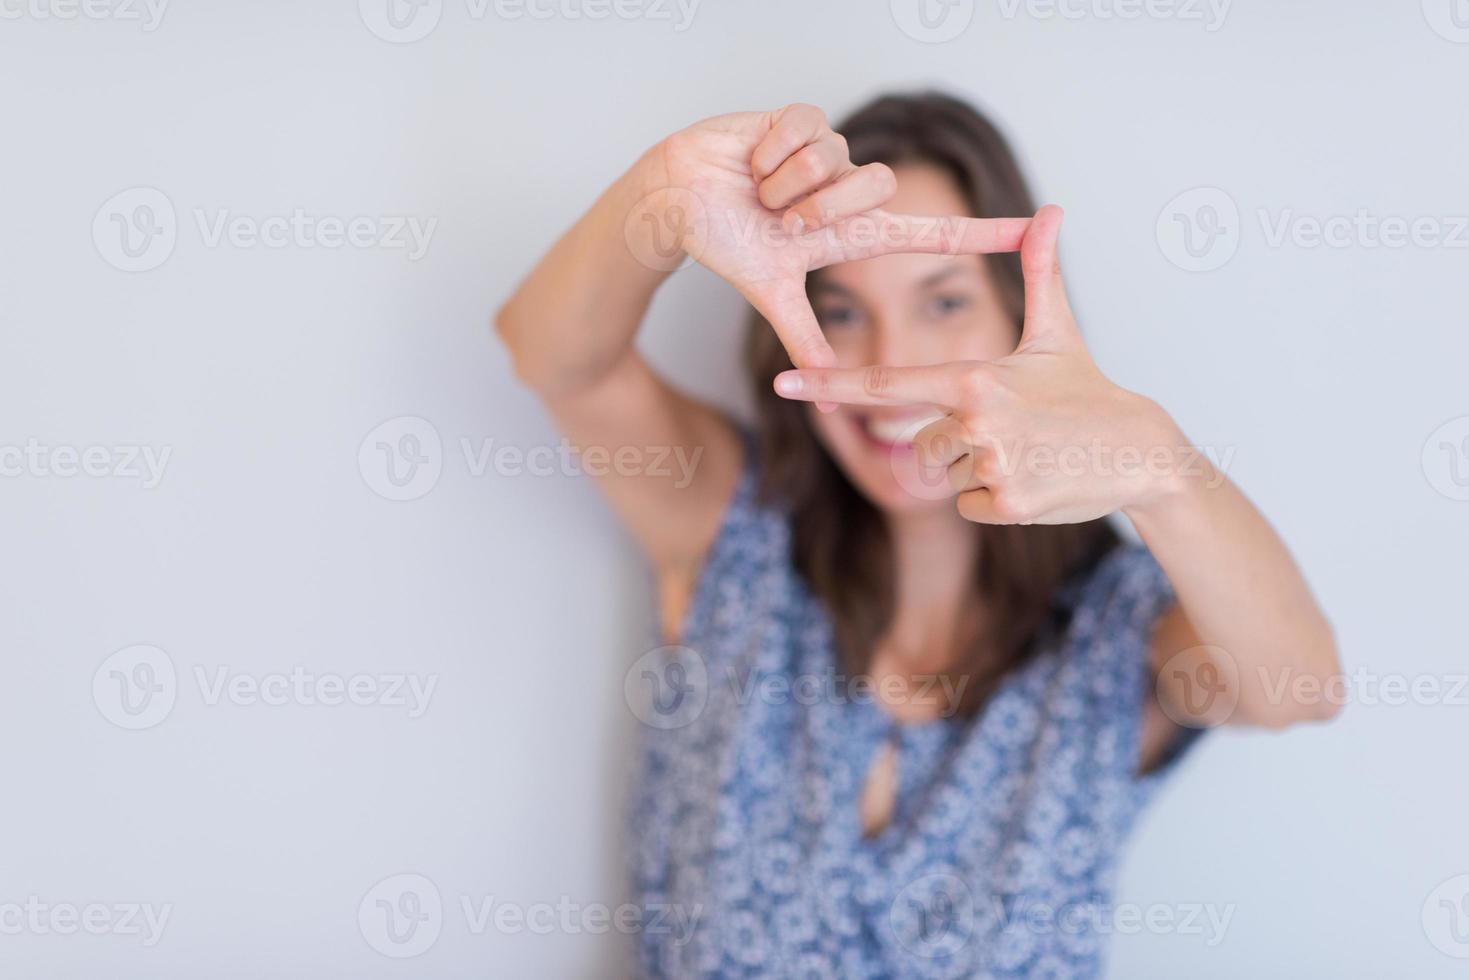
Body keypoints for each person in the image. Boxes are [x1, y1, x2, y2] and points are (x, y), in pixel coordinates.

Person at [496, 93, 1340, 978]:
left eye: (942, 303)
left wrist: (1165, 469)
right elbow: (550, 355)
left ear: (1020, 317)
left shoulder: (1115, 622)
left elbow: (1300, 689)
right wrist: (658, 198)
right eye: (844, 309)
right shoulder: (733, 529)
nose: (889, 368)